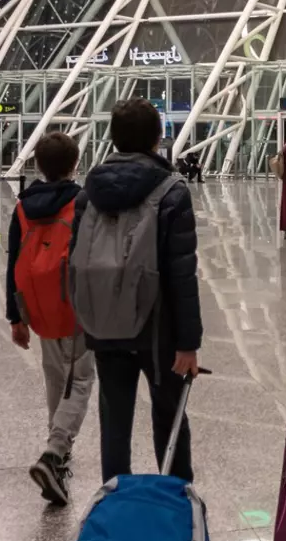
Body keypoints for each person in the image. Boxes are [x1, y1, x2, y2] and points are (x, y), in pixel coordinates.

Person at [72, 98, 202, 482]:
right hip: (157, 327)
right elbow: (182, 273)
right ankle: (176, 495)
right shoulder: (172, 190)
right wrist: (189, 342)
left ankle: (116, 497)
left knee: (114, 417)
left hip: (104, 321)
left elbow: (75, 260)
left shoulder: (88, 191)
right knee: (168, 413)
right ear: (157, 138)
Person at [6, 130, 98, 506]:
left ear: (38, 165)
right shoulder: (82, 202)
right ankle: (55, 451)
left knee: (54, 377)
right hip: (75, 306)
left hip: (39, 305)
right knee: (79, 380)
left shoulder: (23, 206)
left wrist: (16, 317)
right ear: (74, 164)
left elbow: (12, 261)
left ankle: (56, 453)